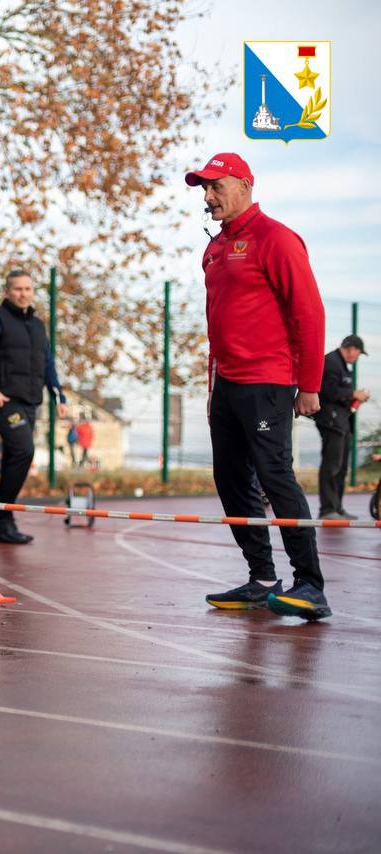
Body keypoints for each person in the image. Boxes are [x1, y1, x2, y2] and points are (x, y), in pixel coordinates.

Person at [186, 151, 330, 620]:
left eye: (216, 186)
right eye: (204, 188)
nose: (208, 196)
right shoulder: (216, 247)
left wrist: (309, 384)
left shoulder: (276, 238)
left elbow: (309, 313)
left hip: (268, 380)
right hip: (226, 384)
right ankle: (262, 577)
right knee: (229, 479)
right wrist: (213, 388)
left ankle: (310, 585)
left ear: (245, 185)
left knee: (274, 476)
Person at [0, 270, 68, 545]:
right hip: (3, 399)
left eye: (28, 289)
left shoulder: (37, 325)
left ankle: (3, 519)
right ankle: (4, 517)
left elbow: (47, 363)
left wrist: (58, 395)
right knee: (24, 450)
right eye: (17, 289)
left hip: (30, 400)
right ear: (7, 291)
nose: (23, 293)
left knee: (16, 455)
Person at [314, 335, 369, 520]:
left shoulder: (341, 365)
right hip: (331, 421)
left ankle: (337, 507)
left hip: (341, 421)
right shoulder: (331, 362)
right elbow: (327, 391)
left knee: (341, 466)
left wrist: (353, 397)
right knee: (332, 465)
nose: (357, 357)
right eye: (358, 353)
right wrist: (353, 394)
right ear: (351, 349)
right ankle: (327, 509)